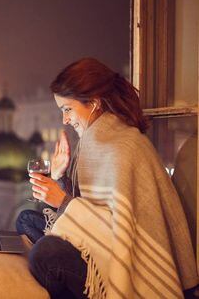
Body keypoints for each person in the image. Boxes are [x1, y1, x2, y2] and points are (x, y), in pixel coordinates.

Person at [16, 58, 199, 299]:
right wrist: (60, 177)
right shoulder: (93, 142)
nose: (65, 120)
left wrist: (61, 200)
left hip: (130, 261)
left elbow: (122, 231)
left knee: (46, 254)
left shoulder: (124, 147)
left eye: (67, 109)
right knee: (27, 219)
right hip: (102, 243)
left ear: (93, 103)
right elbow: (93, 210)